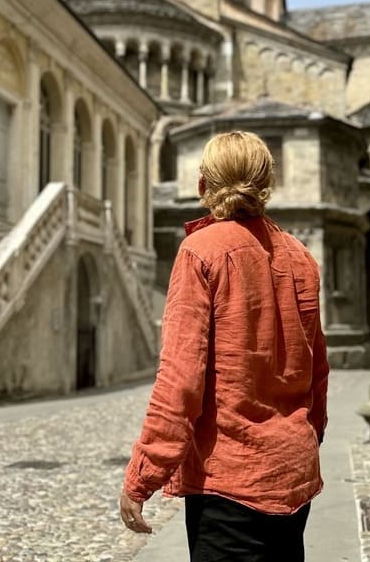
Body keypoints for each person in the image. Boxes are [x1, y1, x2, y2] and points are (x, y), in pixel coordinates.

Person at [119, 130, 329, 561]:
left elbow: (180, 378)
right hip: (293, 471)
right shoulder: (300, 257)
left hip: (229, 477)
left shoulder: (200, 252)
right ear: (266, 184)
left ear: (204, 184)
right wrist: (306, 438)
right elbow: (317, 369)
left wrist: (143, 475)